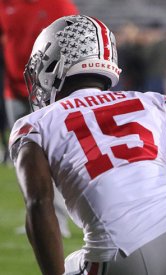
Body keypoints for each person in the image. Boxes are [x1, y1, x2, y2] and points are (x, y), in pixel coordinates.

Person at [9, 15, 166, 275]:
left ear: (55, 63)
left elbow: (39, 204)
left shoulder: (36, 124)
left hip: (119, 252)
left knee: (70, 267)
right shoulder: (150, 102)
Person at [0, 0, 77, 238]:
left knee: (55, 155)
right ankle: (37, 218)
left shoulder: (58, 3)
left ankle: (59, 219)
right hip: (14, 90)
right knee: (25, 159)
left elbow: (72, 41)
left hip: (49, 91)